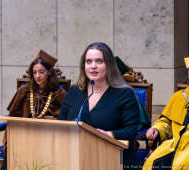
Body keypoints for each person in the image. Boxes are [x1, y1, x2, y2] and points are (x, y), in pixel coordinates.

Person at [57, 42, 142, 170]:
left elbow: (131, 131)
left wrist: (110, 134)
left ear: (109, 65)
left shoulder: (125, 94)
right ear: (83, 66)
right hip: (75, 158)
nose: (93, 66)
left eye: (99, 61)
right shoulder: (75, 91)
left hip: (113, 159)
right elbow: (61, 124)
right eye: (89, 61)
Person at [1, 50, 67, 170]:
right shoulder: (23, 91)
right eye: (34, 72)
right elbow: (12, 116)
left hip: (48, 137)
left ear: (49, 72)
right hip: (23, 135)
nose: (37, 76)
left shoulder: (59, 93)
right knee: (12, 149)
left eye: (41, 72)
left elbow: (65, 119)